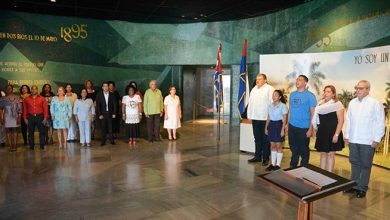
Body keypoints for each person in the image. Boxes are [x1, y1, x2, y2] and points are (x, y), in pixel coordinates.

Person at [343, 80, 385, 198]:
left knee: (365, 165)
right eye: (357, 88)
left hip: (368, 140)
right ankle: (353, 185)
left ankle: (362, 188)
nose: (357, 90)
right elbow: (349, 121)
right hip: (354, 139)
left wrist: (377, 139)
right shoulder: (352, 103)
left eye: (360, 88)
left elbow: (380, 122)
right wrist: (347, 136)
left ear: (367, 89)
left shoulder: (375, 103)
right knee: (354, 163)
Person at [286, 75, 317, 168]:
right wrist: (287, 125)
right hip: (292, 126)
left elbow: (313, 114)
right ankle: (293, 166)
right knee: (293, 148)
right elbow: (290, 110)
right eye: (297, 80)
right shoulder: (292, 94)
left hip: (304, 127)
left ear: (305, 82)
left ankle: (304, 167)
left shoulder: (310, 96)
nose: (297, 81)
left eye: (300, 80)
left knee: (303, 150)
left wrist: (310, 129)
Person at [312, 85, 345, 172]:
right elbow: (317, 120)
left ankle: (329, 175)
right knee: (323, 154)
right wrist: (316, 130)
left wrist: (336, 135)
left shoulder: (337, 104)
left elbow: (341, 121)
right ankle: (322, 174)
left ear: (333, 94)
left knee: (330, 154)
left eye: (328, 91)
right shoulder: (319, 104)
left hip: (333, 132)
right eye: (325, 91)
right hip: (322, 132)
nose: (325, 93)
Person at [247, 73, 274, 165]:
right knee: (257, 138)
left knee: (265, 139)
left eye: (260, 79)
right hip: (255, 118)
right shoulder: (254, 89)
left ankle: (265, 158)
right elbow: (250, 104)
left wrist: (270, 118)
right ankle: (257, 156)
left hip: (265, 119)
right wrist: (249, 116)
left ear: (265, 80)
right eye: (257, 79)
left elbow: (272, 104)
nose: (257, 80)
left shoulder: (269, 89)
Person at [265, 90, 288, 171]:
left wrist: (283, 130)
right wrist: (266, 127)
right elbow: (268, 117)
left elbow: (284, 119)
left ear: (280, 97)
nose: (274, 96)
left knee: (279, 146)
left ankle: (278, 165)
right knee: (272, 145)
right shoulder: (270, 105)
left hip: (279, 125)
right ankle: (272, 164)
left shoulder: (283, 106)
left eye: (276, 95)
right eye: (273, 95)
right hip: (271, 125)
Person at [23, 85, 49, 150]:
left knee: (42, 132)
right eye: (32, 89)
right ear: (30, 90)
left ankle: (42, 146)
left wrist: (45, 118)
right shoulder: (26, 99)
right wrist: (25, 118)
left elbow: (45, 109)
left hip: (40, 117)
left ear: (37, 90)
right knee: (30, 132)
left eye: (35, 89)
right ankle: (31, 146)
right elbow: (25, 109)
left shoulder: (42, 98)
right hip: (30, 117)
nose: (33, 90)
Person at [0, 85, 21, 152]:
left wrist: (19, 117)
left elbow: (20, 109)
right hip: (6, 115)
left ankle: (15, 145)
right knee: (8, 131)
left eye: (10, 88)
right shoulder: (3, 98)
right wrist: (1, 118)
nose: (9, 89)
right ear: (6, 90)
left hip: (15, 116)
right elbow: (1, 109)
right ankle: (10, 146)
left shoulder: (17, 97)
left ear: (12, 89)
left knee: (15, 130)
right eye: (7, 88)